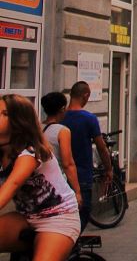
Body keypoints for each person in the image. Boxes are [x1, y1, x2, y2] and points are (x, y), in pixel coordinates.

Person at [0, 95, 81, 260]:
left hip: (58, 218)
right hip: (26, 217)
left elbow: (12, 184)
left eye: (4, 113)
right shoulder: (2, 151)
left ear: (19, 121)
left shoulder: (30, 152)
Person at [61, 81, 113, 230]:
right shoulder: (88, 118)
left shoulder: (61, 117)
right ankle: (70, 247)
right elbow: (101, 147)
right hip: (82, 174)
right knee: (82, 215)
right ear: (85, 96)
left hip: (62, 175)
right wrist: (108, 169)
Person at [40, 92, 82, 207]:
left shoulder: (38, 127)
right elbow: (68, 163)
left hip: (39, 184)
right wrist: (77, 191)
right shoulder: (63, 131)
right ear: (62, 109)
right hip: (56, 184)